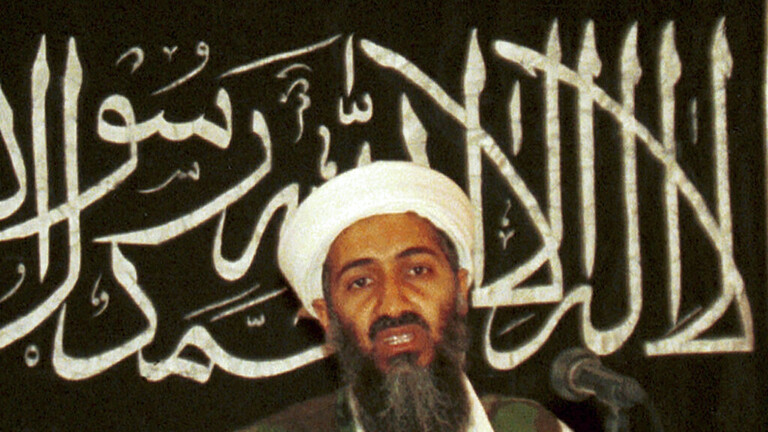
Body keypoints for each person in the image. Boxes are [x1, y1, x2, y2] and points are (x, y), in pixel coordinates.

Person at [240, 161, 571, 432]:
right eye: (361, 282)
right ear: (327, 315)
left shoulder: (531, 427)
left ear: (460, 289)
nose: (393, 304)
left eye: (417, 271)